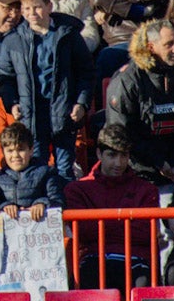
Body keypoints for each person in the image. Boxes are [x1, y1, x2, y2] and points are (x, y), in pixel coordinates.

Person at [0, 0, 93, 178]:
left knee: (64, 168)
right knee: (36, 169)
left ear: (49, 6)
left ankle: (64, 206)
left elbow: (86, 72)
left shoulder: (68, 35)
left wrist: (81, 103)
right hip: (31, 113)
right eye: (27, 8)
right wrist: (12, 104)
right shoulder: (12, 40)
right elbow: (5, 78)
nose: (32, 13)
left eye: (37, 7)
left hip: (63, 110)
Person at [65, 124, 159, 291]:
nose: (118, 163)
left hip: (135, 259)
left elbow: (146, 233)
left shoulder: (147, 189)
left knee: (143, 287)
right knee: (86, 281)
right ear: (99, 154)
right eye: (112, 155)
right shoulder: (77, 189)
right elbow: (84, 231)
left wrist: (101, 222)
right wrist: (126, 220)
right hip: (93, 259)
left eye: (124, 156)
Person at [106, 19, 174, 186]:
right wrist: (158, 163)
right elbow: (122, 132)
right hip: (137, 170)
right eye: (169, 44)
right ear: (151, 47)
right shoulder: (127, 81)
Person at [0, 122, 68, 220]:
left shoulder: (46, 173)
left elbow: (58, 201)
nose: (15, 155)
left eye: (21, 149)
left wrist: (42, 203)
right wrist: (4, 206)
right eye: (10, 151)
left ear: (31, 150)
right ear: (3, 152)